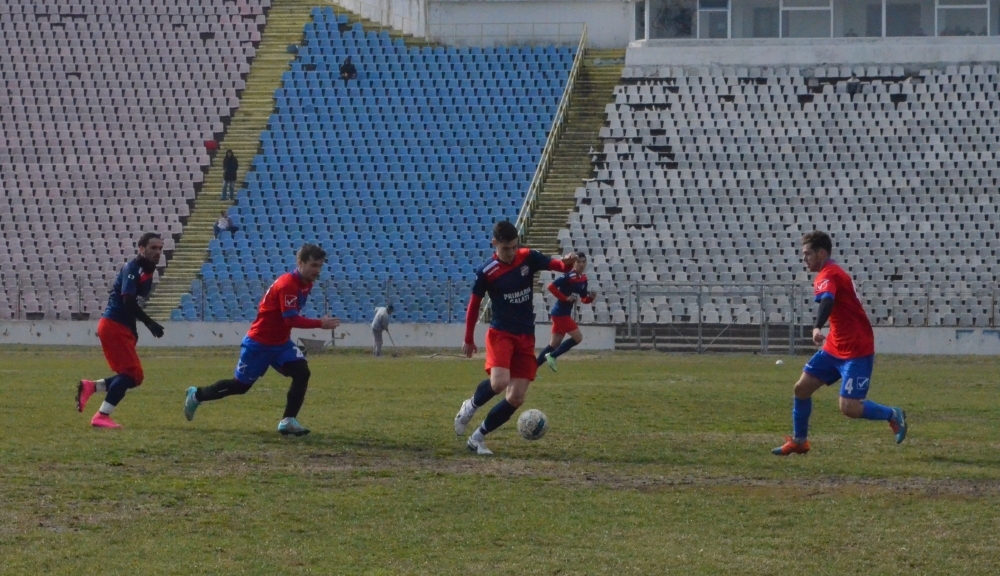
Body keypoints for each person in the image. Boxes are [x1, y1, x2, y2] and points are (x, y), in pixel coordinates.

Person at [772, 231, 907, 456]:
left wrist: (817, 327)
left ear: (821, 253)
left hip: (856, 349)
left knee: (849, 408)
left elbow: (827, 300)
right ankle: (799, 441)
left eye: (807, 254)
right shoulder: (832, 272)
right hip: (835, 346)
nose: (804, 259)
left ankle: (893, 414)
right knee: (801, 389)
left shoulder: (829, 274)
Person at [183, 244, 341, 435]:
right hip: (259, 344)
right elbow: (290, 319)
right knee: (240, 387)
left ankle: (288, 420)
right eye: (313, 265)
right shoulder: (288, 285)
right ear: (300, 263)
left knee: (302, 372)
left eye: (320, 266)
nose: (317, 271)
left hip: (281, 344)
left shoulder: (305, 283)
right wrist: (320, 323)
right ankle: (197, 395)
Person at [452, 221, 578, 455]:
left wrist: (567, 262)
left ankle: (477, 438)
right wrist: (468, 338)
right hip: (501, 333)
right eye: (505, 248)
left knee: (517, 397)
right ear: (494, 244)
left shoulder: (527, 257)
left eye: (513, 247)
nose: (511, 252)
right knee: (499, 383)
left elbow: (559, 266)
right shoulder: (487, 272)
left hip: (525, 336)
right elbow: (474, 305)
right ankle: (470, 406)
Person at [76, 233, 165, 428]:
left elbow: (130, 304)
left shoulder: (147, 270)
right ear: (141, 248)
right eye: (153, 248)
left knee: (132, 375)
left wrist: (133, 329)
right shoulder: (133, 269)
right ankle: (101, 416)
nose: (158, 252)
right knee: (132, 373)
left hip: (121, 326)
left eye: (160, 248)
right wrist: (149, 323)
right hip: (113, 325)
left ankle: (92, 387)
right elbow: (127, 301)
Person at [536, 251, 596, 371]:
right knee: (578, 338)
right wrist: (565, 298)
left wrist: (591, 298)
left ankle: (531, 369)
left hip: (562, 313)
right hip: (560, 314)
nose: (581, 264)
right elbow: (551, 286)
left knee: (554, 345)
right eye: (578, 262)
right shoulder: (569, 276)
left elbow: (583, 298)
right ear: (574, 263)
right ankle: (552, 356)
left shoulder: (583, 279)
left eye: (583, 262)